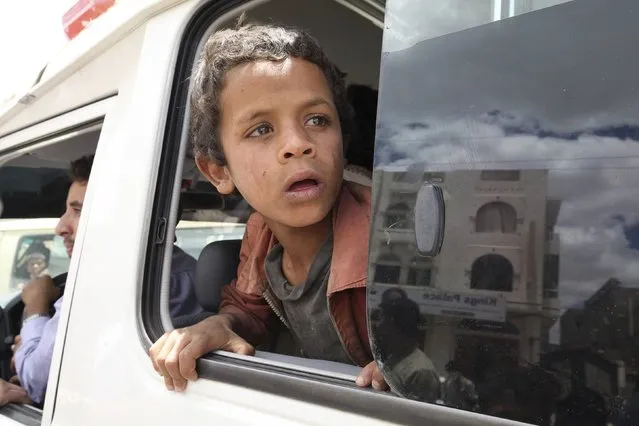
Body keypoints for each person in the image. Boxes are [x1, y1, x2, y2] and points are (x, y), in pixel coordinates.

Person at [149, 22, 388, 393]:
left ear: (342, 138)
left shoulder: (391, 236)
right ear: (218, 171)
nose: (297, 144)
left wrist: (410, 365)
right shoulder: (261, 232)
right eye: (261, 129)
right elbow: (249, 308)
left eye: (317, 120)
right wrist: (222, 324)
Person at [15, 155, 202, 404]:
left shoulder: (100, 285)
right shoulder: (192, 275)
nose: (60, 227)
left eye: (79, 211)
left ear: (125, 217)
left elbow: (39, 381)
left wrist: (35, 311)